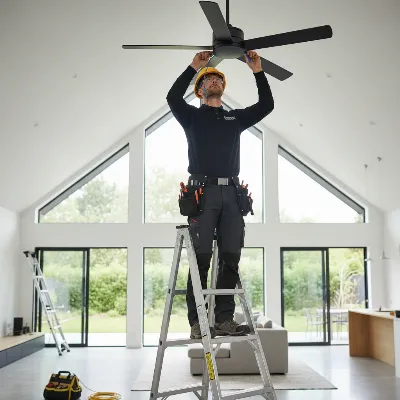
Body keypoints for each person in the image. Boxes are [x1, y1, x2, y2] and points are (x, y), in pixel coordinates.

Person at [166, 50, 274, 339]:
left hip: (232, 195)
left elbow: (267, 104)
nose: (213, 79)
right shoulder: (190, 116)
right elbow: (172, 98)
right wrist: (194, 67)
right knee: (201, 260)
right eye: (208, 79)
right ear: (200, 91)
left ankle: (224, 320)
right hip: (203, 194)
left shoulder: (235, 118)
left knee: (230, 259)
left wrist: (258, 72)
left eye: (217, 78)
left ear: (222, 88)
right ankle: (198, 323)